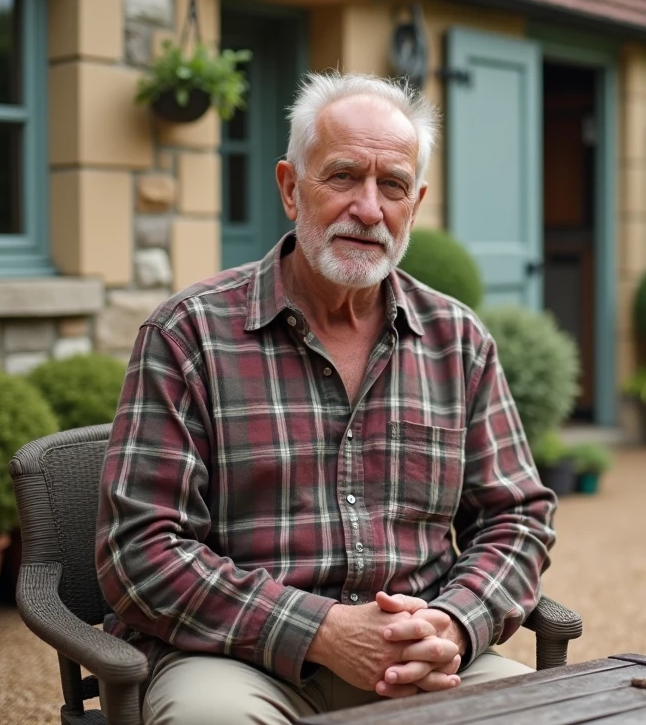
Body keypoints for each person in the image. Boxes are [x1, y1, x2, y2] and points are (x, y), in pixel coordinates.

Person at [95, 72, 557, 724]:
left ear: (414, 205)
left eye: (391, 185)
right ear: (291, 187)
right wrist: (323, 632)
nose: (369, 209)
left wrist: (455, 624)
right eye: (343, 177)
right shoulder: (189, 334)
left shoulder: (460, 342)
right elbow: (140, 549)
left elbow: (517, 518)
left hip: (427, 657)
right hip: (240, 663)